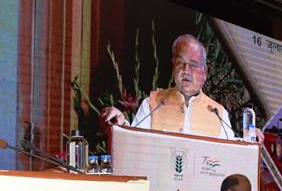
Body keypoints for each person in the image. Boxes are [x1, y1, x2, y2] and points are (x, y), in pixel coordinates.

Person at [100, 34, 263, 142]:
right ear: (173, 67)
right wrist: (120, 125)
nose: (185, 70)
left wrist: (250, 141)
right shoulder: (152, 103)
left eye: (193, 65)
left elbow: (231, 153)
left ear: (204, 72)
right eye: (180, 63)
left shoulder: (218, 113)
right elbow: (134, 142)